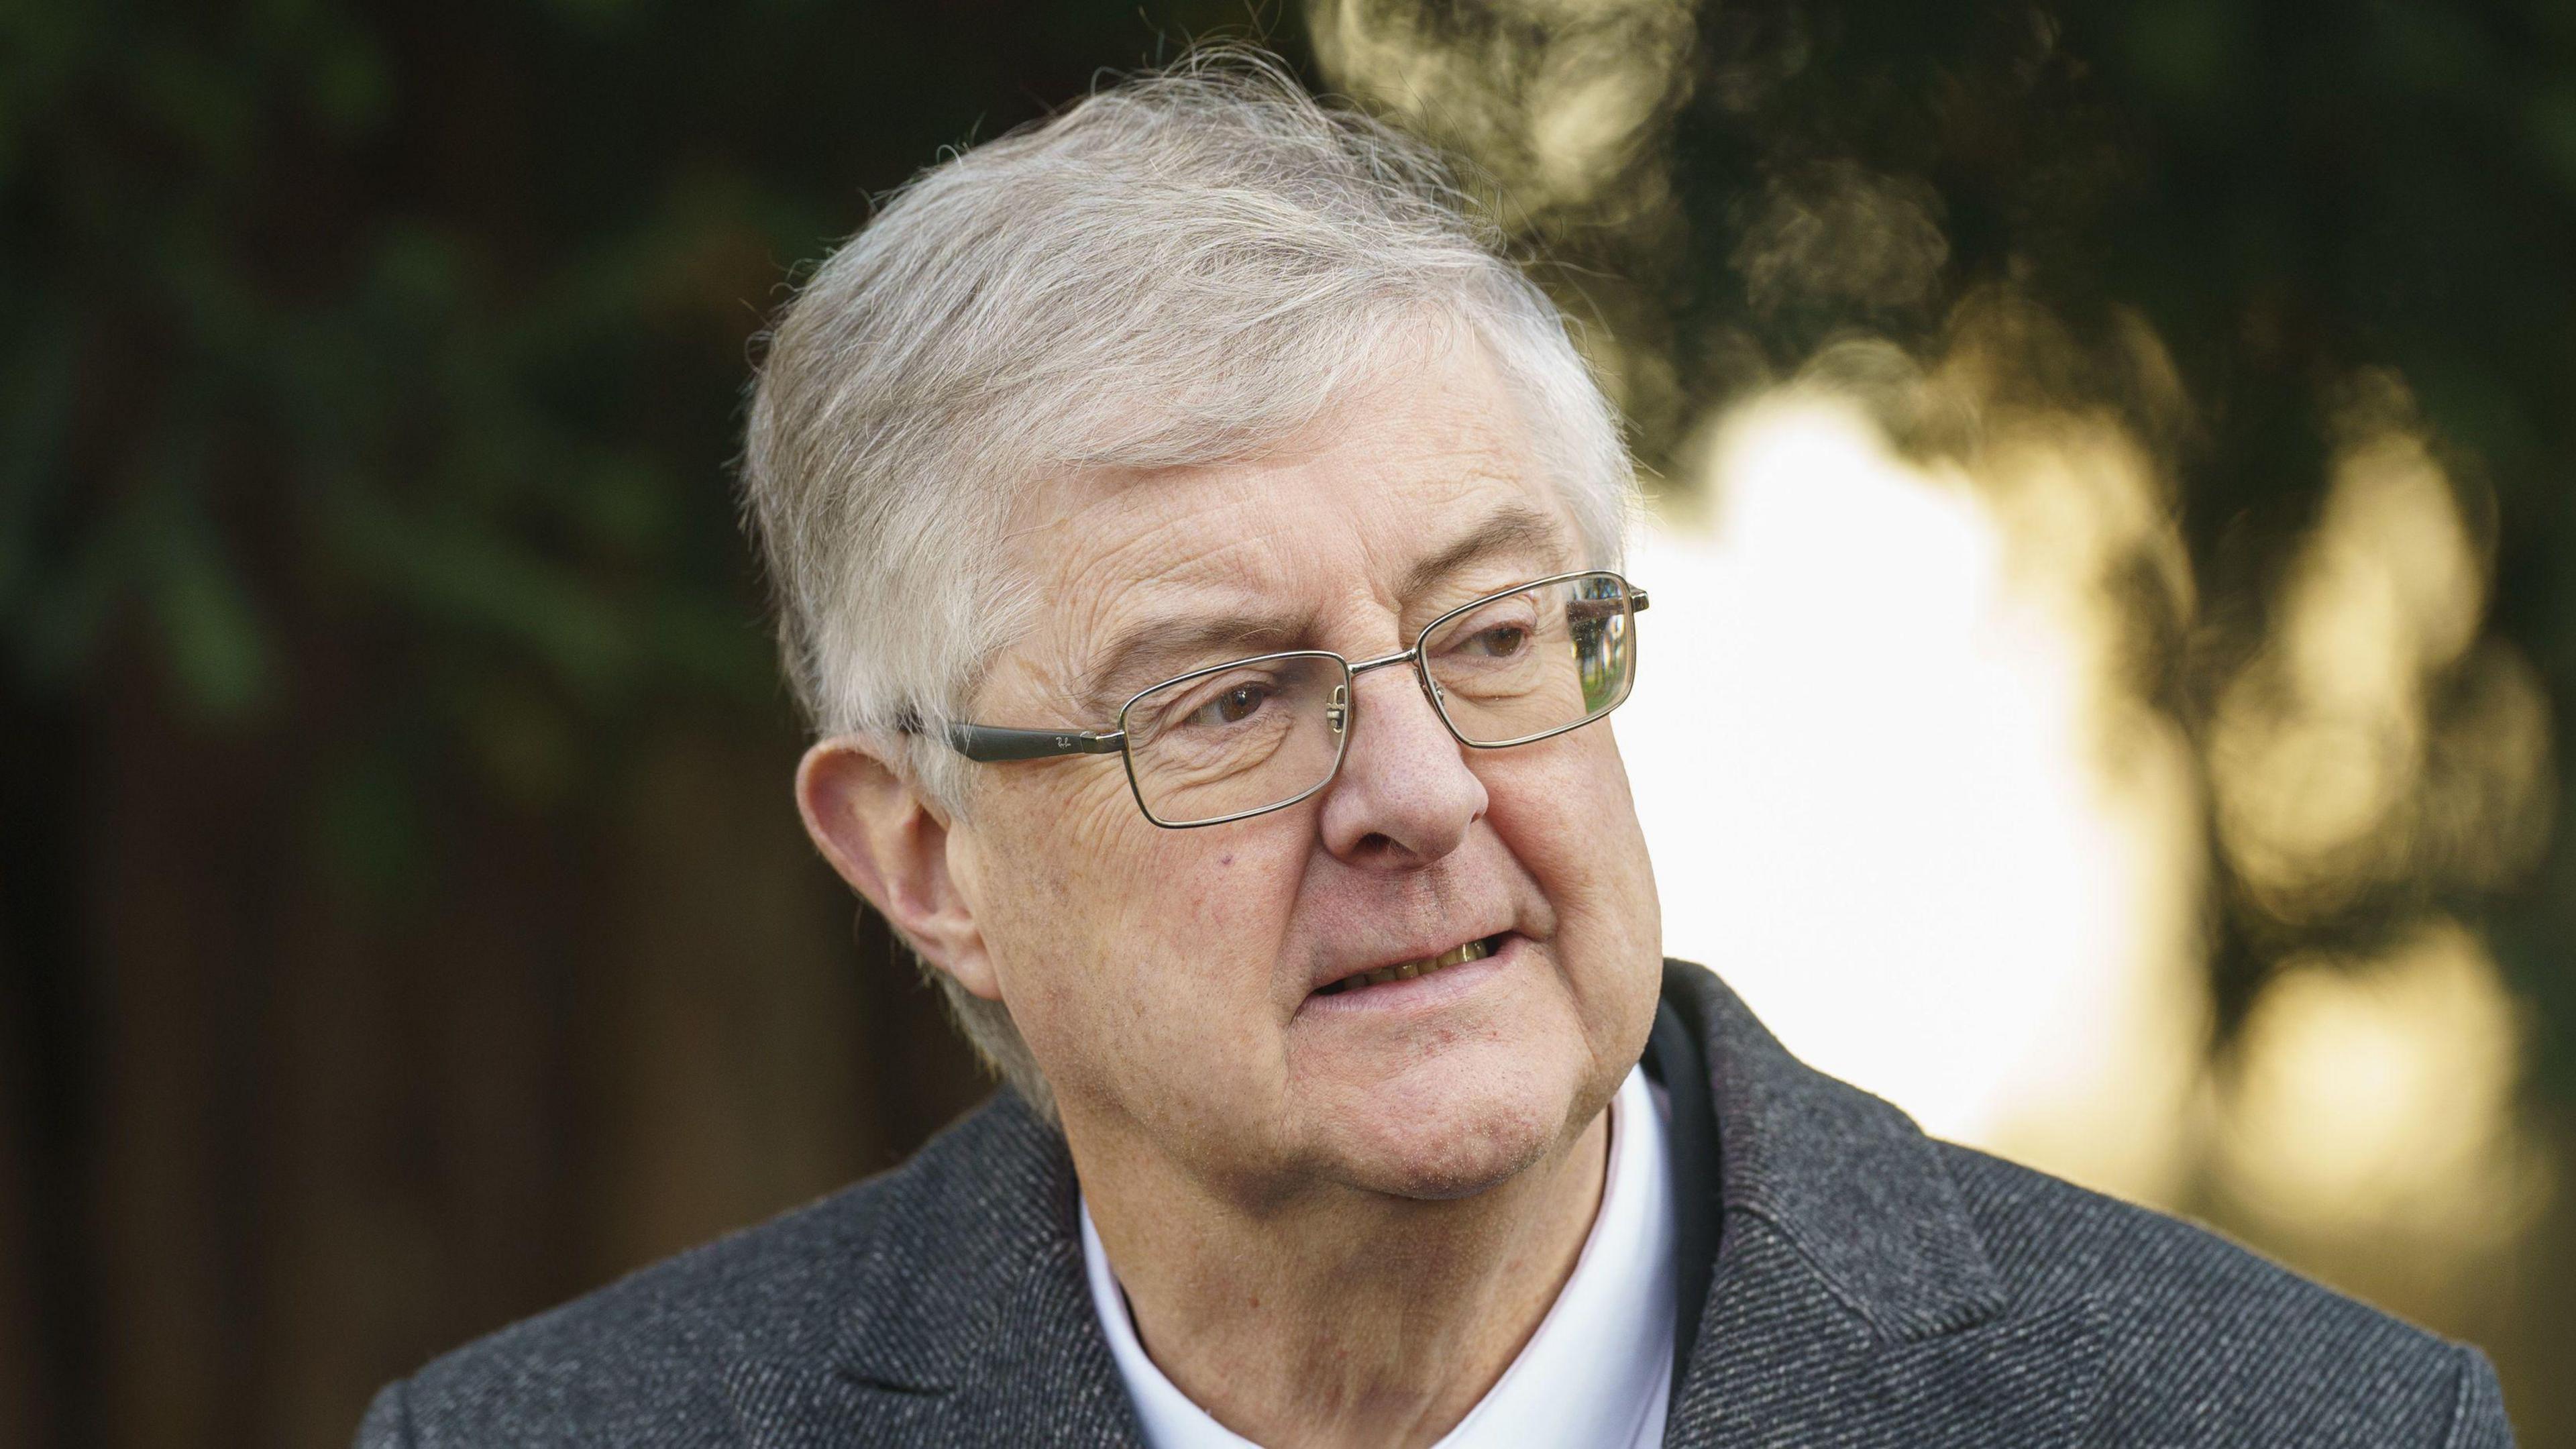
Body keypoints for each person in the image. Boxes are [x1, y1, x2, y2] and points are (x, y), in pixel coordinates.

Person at [353, 50, 2514, 1449]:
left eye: (1489, 636)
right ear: (926, 860)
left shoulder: (2299, 1425)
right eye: (1225, 698)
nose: (1425, 790)